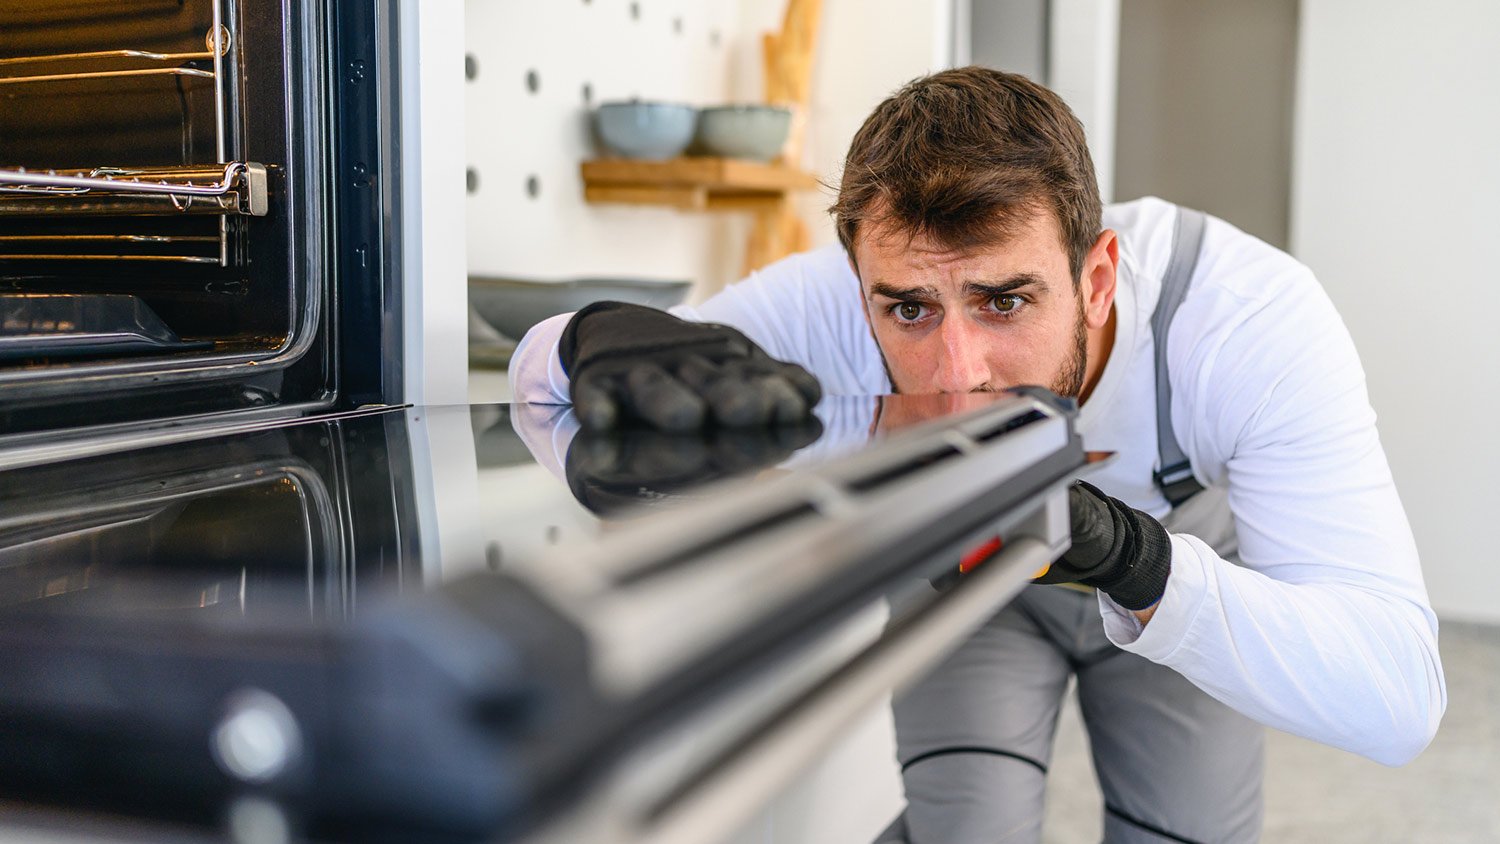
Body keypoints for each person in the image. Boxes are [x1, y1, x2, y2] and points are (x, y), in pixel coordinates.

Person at [509, 67, 1445, 843]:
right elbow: (572, 381)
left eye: (1005, 300)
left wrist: (1134, 558)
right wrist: (592, 332)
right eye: (909, 310)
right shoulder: (838, 299)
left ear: (1100, 276)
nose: (959, 375)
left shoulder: (1247, 318)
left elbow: (1397, 700)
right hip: (974, 576)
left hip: (1179, 567)